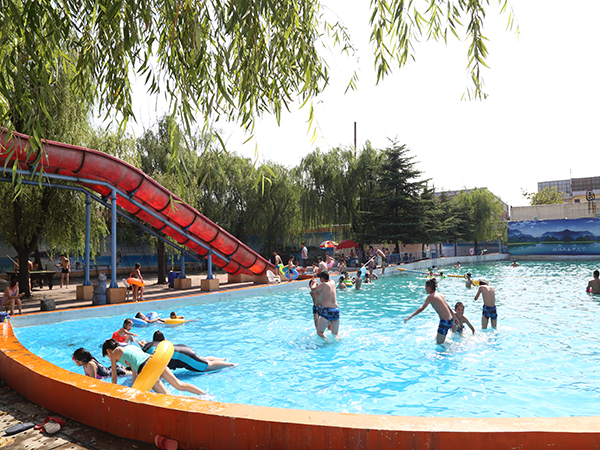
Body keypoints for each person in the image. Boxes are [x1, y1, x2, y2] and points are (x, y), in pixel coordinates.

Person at [102, 338, 206, 395]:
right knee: (179, 385)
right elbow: (134, 371)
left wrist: (113, 392)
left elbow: (114, 377)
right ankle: (204, 395)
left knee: (166, 395)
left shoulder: (114, 353)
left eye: (107, 355)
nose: (109, 358)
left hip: (146, 369)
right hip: (154, 360)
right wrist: (134, 388)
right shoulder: (130, 347)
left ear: (108, 351)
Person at [142, 330, 236, 372]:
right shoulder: (152, 345)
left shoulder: (149, 350)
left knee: (208, 366)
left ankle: (231, 364)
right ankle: (221, 359)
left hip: (185, 355)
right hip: (183, 349)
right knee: (201, 358)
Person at [404, 278, 458, 344]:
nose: (425, 289)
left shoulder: (430, 297)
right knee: (438, 338)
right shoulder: (440, 295)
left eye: (425, 287)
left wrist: (409, 317)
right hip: (450, 320)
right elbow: (448, 307)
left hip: (444, 322)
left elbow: (421, 308)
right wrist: (454, 317)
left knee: (439, 344)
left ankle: (452, 348)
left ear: (429, 288)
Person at [310, 271, 340, 339]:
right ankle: (339, 340)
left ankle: (327, 342)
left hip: (328, 310)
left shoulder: (323, 285)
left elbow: (313, 290)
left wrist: (313, 284)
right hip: (336, 310)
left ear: (322, 279)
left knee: (319, 332)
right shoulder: (332, 282)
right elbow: (329, 280)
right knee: (335, 333)